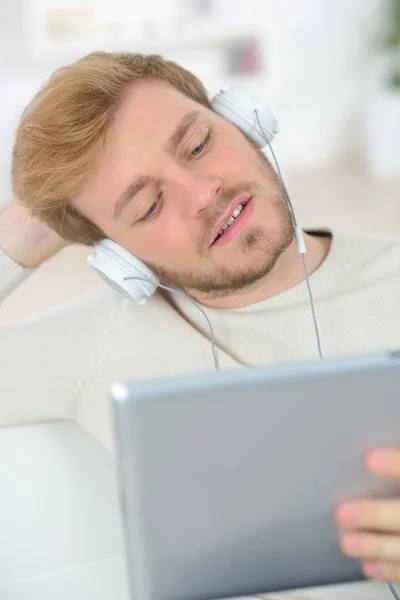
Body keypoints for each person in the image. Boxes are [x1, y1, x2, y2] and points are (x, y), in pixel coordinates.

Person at [1, 51, 400, 589]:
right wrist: (39, 216)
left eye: (197, 145)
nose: (204, 193)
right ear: (119, 257)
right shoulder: (96, 344)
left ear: (244, 120)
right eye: (147, 205)